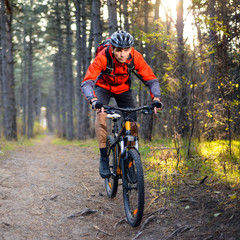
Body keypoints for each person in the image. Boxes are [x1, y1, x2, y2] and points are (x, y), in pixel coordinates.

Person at [81, 30, 162, 178]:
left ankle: (130, 163)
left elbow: (151, 79)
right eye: (118, 50)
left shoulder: (135, 57)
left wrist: (156, 98)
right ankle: (104, 157)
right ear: (112, 48)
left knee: (132, 123)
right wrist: (93, 100)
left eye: (126, 50)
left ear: (131, 49)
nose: (122, 54)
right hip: (103, 88)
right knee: (101, 114)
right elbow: (87, 82)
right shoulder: (102, 57)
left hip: (123, 89)